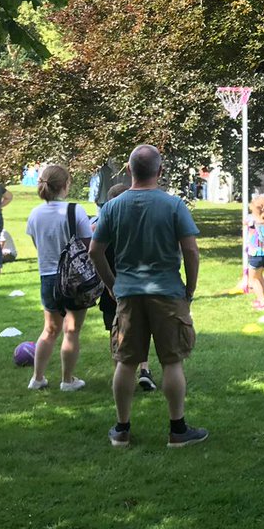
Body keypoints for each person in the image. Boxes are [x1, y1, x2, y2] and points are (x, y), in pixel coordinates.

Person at [90, 144, 207, 448]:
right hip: (167, 292)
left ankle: (121, 429)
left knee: (126, 362)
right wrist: (190, 288)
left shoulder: (112, 207)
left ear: (129, 170)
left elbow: (95, 251)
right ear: (160, 171)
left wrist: (111, 284)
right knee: (172, 361)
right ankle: (177, 430)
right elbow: (191, 251)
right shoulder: (174, 205)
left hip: (128, 294)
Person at [24, 164, 91, 392]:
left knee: (50, 330)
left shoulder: (35, 214)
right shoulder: (76, 210)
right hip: (74, 278)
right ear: (65, 185)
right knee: (71, 330)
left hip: (48, 277)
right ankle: (67, 380)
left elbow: (38, 245)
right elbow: (88, 246)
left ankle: (37, 378)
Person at [95, 184, 156, 392]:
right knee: (142, 328)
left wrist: (109, 285)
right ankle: (144, 368)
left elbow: (96, 256)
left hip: (111, 287)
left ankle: (119, 374)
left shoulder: (103, 229)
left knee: (115, 332)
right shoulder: (139, 227)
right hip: (136, 286)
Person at [245, 195, 264, 311]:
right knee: (259, 276)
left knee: (253, 279)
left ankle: (262, 302)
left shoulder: (251, 219)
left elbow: (245, 223)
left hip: (256, 254)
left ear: (253, 206)